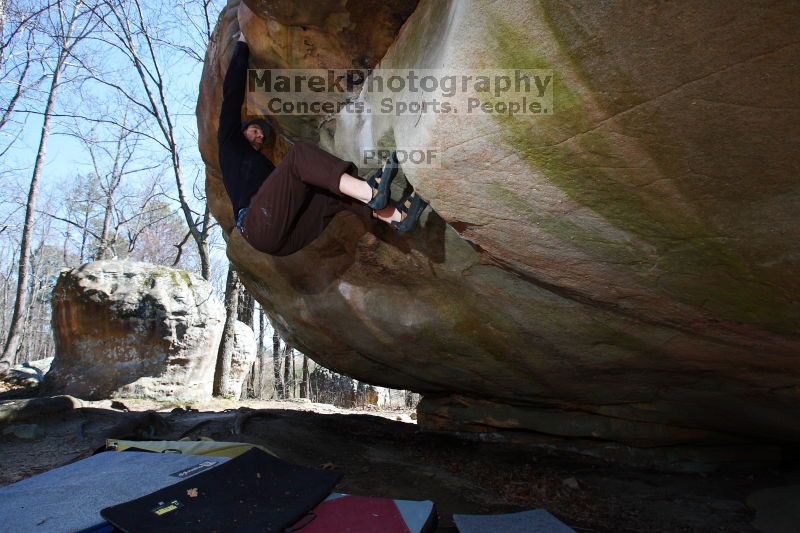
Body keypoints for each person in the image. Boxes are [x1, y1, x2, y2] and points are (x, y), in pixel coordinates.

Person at [218, 30, 428, 257]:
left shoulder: (265, 171)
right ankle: (370, 191)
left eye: (262, 134)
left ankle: (396, 217)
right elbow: (231, 94)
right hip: (256, 225)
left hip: (285, 239)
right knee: (298, 156)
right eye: (257, 130)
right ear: (243, 129)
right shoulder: (230, 143)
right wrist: (241, 45)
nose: (260, 136)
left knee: (331, 192)